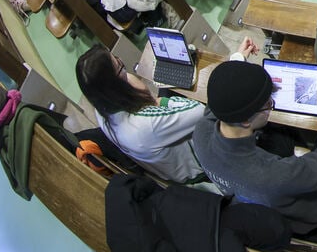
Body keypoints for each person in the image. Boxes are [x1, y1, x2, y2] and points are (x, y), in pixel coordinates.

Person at [193, 60, 317, 239]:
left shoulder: (200, 133)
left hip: (251, 198)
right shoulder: (273, 174)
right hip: (309, 217)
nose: (271, 105)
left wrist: (237, 63)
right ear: (246, 121)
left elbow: (217, 103)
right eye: (268, 104)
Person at [75, 40, 257, 183]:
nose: (124, 65)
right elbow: (200, 111)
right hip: (201, 165)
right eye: (120, 67)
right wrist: (236, 61)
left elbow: (135, 87)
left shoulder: (102, 110)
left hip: (169, 156)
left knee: (175, 74)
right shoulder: (143, 126)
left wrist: (153, 99)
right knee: (231, 102)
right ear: (114, 87)